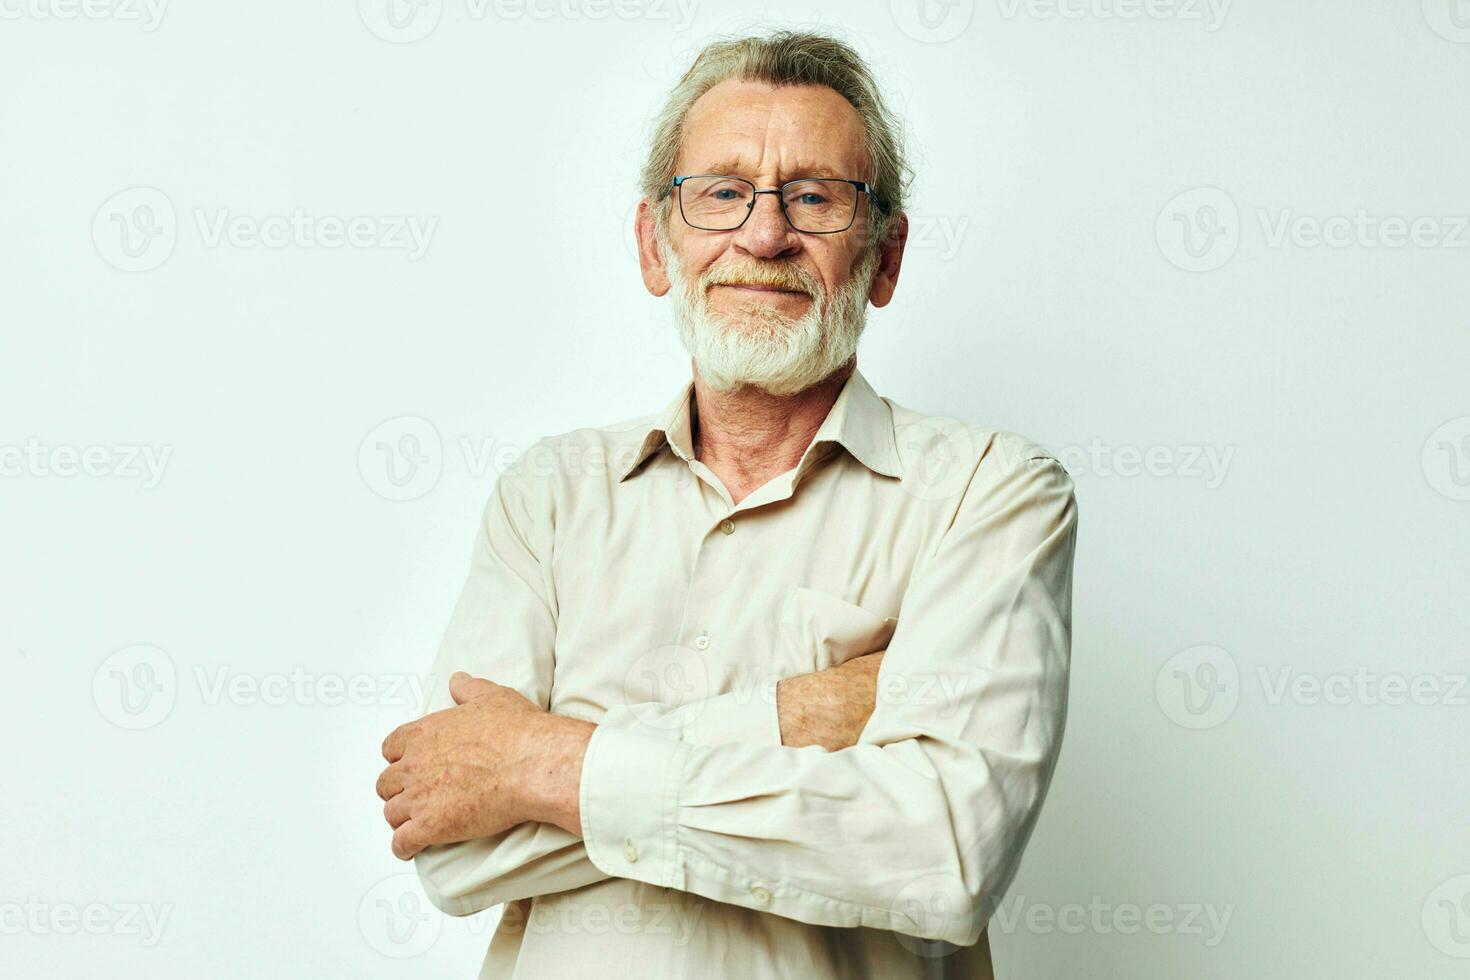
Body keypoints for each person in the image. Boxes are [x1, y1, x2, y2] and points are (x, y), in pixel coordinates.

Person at [376, 29, 1078, 979]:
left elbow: (944, 855)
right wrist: (802, 716)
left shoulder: (991, 494)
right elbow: (453, 844)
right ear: (655, 244)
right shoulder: (548, 496)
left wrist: (538, 767)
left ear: (884, 257)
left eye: (817, 197)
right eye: (720, 193)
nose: (763, 234)